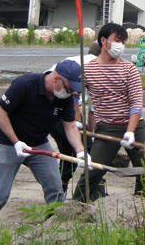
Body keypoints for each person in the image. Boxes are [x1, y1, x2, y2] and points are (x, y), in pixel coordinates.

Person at [0, 59, 90, 222]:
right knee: (0, 193)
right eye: (70, 89)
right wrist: (15, 142)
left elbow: (69, 126)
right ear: (56, 79)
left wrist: (80, 151)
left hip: (38, 143)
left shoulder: (65, 97)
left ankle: (55, 224)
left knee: (54, 186)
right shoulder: (25, 84)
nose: (72, 94)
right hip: (9, 143)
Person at [73, 23, 145, 202]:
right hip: (107, 127)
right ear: (103, 41)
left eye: (123, 42)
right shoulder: (89, 70)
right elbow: (73, 96)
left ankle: (143, 203)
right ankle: (76, 205)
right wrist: (77, 120)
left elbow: (136, 104)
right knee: (93, 170)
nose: (120, 45)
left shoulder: (129, 69)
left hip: (135, 126)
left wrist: (131, 132)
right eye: (117, 40)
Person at [47, 41, 102, 197]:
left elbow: (92, 109)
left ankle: (91, 190)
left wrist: (93, 133)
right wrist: (77, 126)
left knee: (82, 148)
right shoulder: (90, 66)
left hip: (65, 105)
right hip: (55, 104)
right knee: (74, 151)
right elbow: (71, 99)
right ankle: (67, 192)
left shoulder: (86, 62)